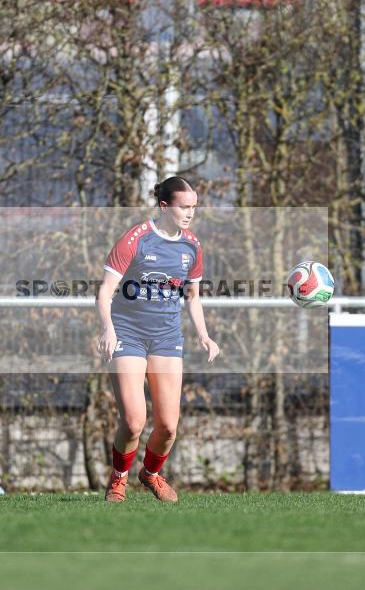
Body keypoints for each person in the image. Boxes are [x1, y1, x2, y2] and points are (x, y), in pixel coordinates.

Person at [96, 176, 219, 503]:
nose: (190, 213)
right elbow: (105, 291)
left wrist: (205, 336)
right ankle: (118, 479)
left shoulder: (192, 246)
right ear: (165, 206)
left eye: (194, 206)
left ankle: (149, 474)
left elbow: (192, 296)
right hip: (128, 334)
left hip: (166, 338)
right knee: (134, 420)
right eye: (184, 207)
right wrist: (108, 328)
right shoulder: (135, 240)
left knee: (167, 427)